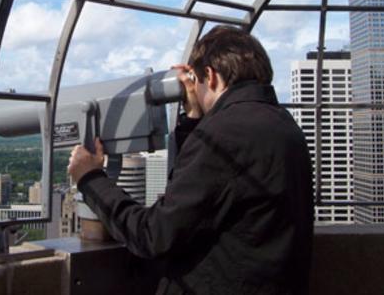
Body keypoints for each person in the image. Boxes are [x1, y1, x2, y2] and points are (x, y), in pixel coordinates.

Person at [68, 25, 313, 294]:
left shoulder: (225, 134)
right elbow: (205, 198)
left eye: (197, 81)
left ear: (210, 76)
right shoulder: (284, 125)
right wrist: (194, 118)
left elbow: (153, 235)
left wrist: (90, 178)